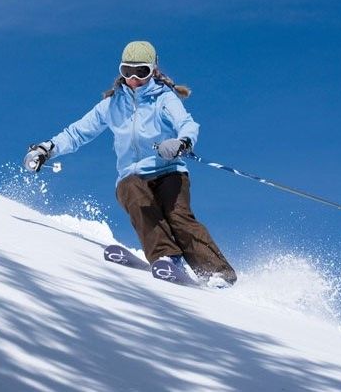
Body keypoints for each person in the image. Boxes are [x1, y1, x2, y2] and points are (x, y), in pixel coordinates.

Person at [24, 40, 237, 286]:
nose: (133, 78)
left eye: (141, 72)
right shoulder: (112, 104)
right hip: (131, 175)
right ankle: (167, 257)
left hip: (169, 171)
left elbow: (187, 123)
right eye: (127, 71)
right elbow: (77, 132)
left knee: (178, 217)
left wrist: (182, 142)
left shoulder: (164, 99)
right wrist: (46, 149)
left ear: (153, 70)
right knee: (136, 197)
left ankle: (218, 274)